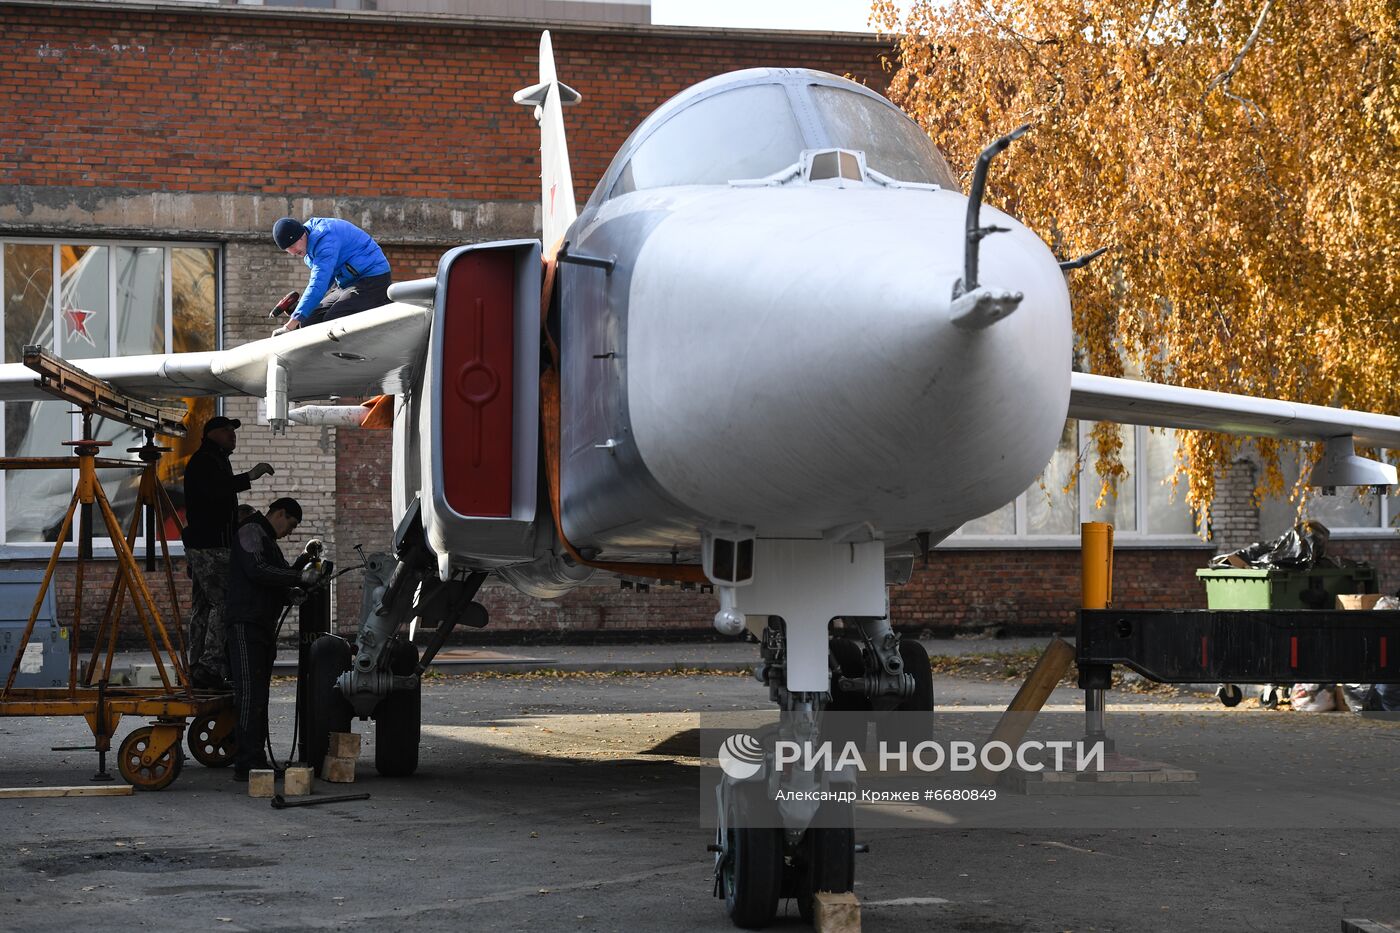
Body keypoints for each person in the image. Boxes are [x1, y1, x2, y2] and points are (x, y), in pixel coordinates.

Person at [226, 497, 314, 780]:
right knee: (250, 695)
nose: (290, 531)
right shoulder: (252, 530)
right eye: (291, 523)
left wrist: (298, 579)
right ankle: (246, 763)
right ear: (279, 513)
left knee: (260, 696)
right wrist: (299, 576)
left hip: (261, 625)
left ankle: (256, 758)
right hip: (245, 624)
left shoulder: (267, 540)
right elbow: (258, 570)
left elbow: (278, 578)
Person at [183, 416, 274, 689]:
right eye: (226, 431)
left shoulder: (217, 459)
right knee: (224, 600)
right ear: (211, 434)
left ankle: (196, 665)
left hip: (204, 543)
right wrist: (250, 477)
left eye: (233, 431)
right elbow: (215, 492)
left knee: (203, 605)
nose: (232, 435)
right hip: (209, 544)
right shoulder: (205, 461)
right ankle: (209, 667)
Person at [271, 216, 391, 331]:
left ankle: (383, 302)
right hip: (347, 283)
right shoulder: (308, 245)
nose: (292, 252)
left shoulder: (325, 239)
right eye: (288, 249)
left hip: (373, 278)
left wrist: (290, 325)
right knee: (309, 321)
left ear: (301, 236)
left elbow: (319, 283)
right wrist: (301, 313)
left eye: (292, 246)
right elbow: (324, 281)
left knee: (334, 319)